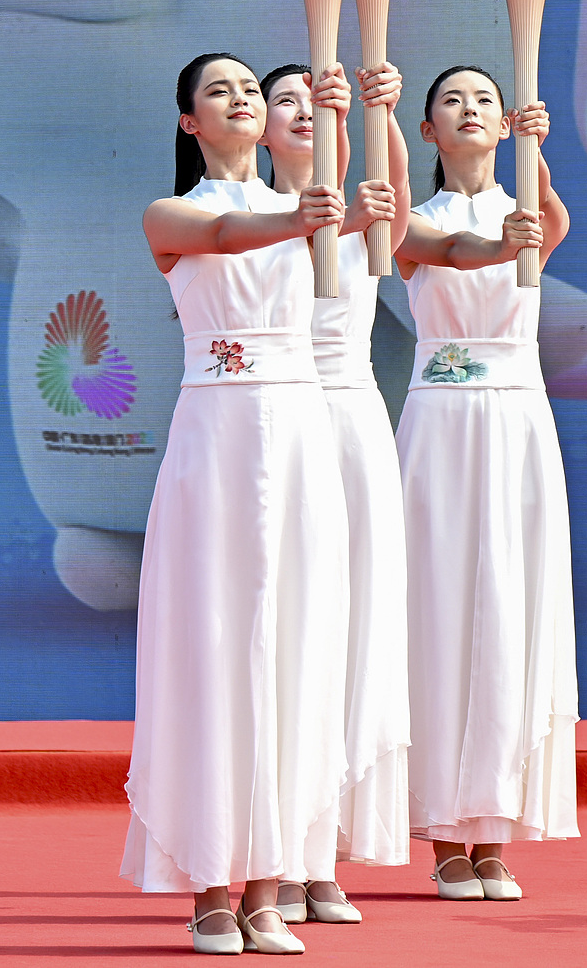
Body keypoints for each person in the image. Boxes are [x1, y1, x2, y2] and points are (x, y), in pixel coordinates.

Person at [124, 51, 392, 955]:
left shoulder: (307, 211)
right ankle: (208, 883)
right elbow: (239, 233)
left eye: (251, 89)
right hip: (216, 439)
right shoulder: (174, 216)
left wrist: (356, 130)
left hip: (301, 431)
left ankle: (272, 882)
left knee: (297, 646)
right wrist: (318, 209)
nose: (240, 99)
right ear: (190, 122)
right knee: (213, 650)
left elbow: (341, 205)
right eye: (220, 91)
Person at [394, 65, 578, 901]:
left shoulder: (533, 211)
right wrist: (510, 237)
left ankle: (493, 828)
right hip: (441, 421)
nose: (468, 109)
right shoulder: (413, 224)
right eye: (450, 101)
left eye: (484, 100)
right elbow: (461, 250)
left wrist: (538, 149)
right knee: (438, 615)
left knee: (512, 612)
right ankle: (442, 828)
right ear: (428, 130)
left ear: (505, 124)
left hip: (519, 422)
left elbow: (547, 220)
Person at [258, 60, 412, 924]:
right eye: (284, 103)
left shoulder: (362, 224)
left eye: (314, 101)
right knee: (291, 636)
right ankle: (278, 850)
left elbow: (381, 181)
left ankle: (327, 854)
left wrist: (380, 104)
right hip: (279, 421)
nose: (303, 113)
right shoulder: (248, 219)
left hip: (353, 424)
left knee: (352, 637)